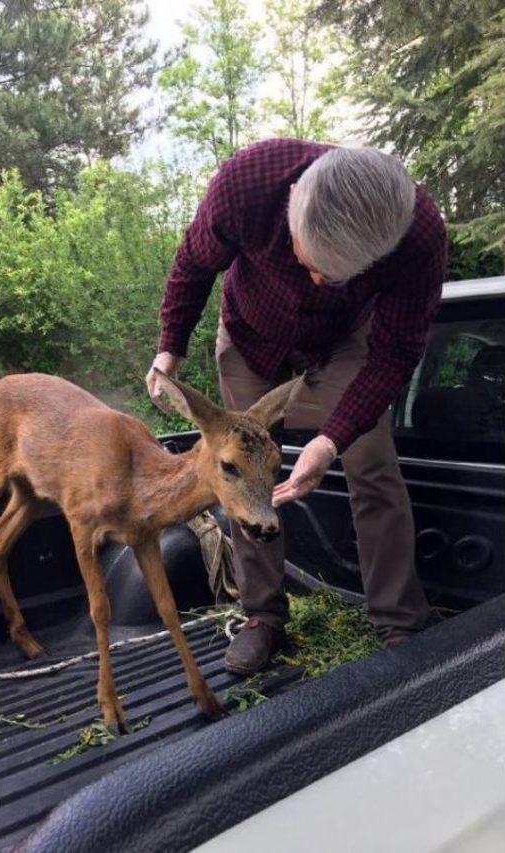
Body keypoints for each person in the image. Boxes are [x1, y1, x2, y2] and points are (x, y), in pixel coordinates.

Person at [146, 139, 447, 675]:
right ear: (290, 201)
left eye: (334, 277)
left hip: (347, 343)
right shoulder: (247, 184)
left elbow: (396, 353)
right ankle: (262, 616)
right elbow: (193, 264)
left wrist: (330, 440)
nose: (316, 281)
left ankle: (400, 623)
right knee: (245, 474)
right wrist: (170, 347)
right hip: (251, 338)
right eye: (310, 264)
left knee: (372, 465)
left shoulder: (418, 236)